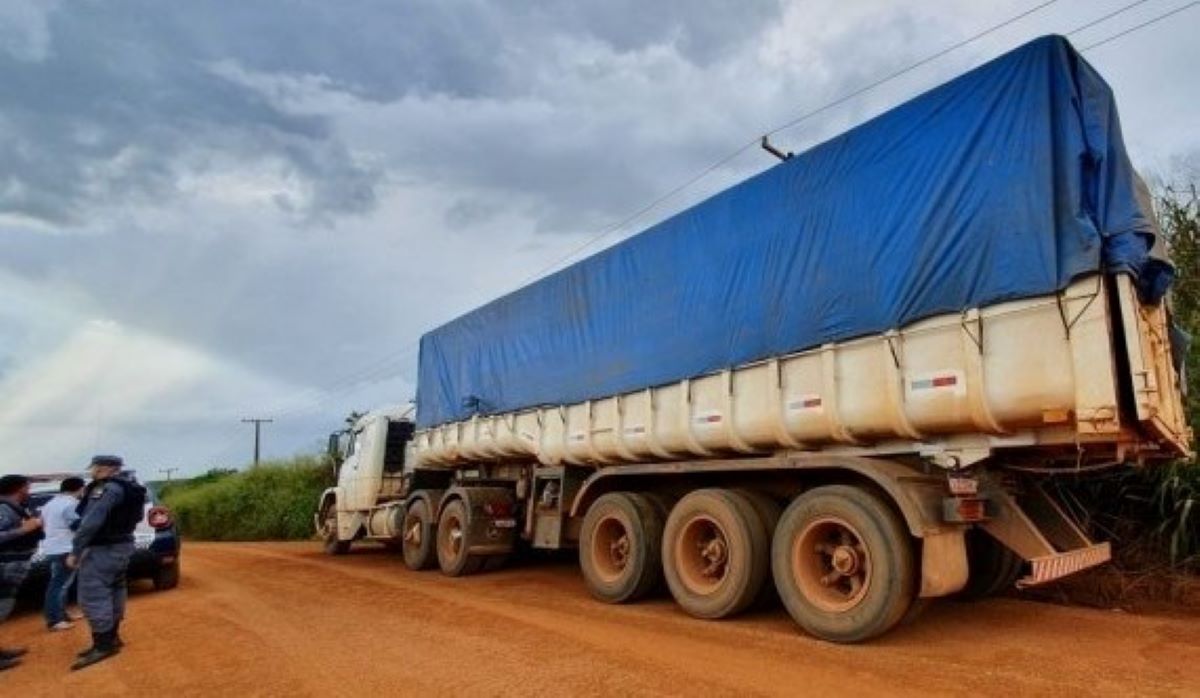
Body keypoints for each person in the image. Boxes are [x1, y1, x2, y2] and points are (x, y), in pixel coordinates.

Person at [66, 456, 145, 671]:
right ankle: (112, 638)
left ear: (105, 469)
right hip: (123, 546)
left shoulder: (105, 489)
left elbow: (91, 522)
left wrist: (76, 550)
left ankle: (103, 645)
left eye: (94, 468)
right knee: (115, 589)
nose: (92, 472)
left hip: (102, 549)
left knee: (93, 594)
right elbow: (136, 518)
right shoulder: (131, 487)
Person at [0, 474, 44, 672]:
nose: (29, 491)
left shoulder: (13, 508)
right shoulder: (3, 509)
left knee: (4, 608)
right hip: (5, 565)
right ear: (19, 489)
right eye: (27, 488)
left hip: (13, 565)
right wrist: (24, 530)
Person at [41, 477, 85, 631]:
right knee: (59, 584)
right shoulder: (71, 504)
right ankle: (54, 620)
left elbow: (45, 525)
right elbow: (76, 525)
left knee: (61, 583)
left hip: (53, 548)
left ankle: (61, 615)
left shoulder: (49, 504)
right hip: (65, 548)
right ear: (80, 488)